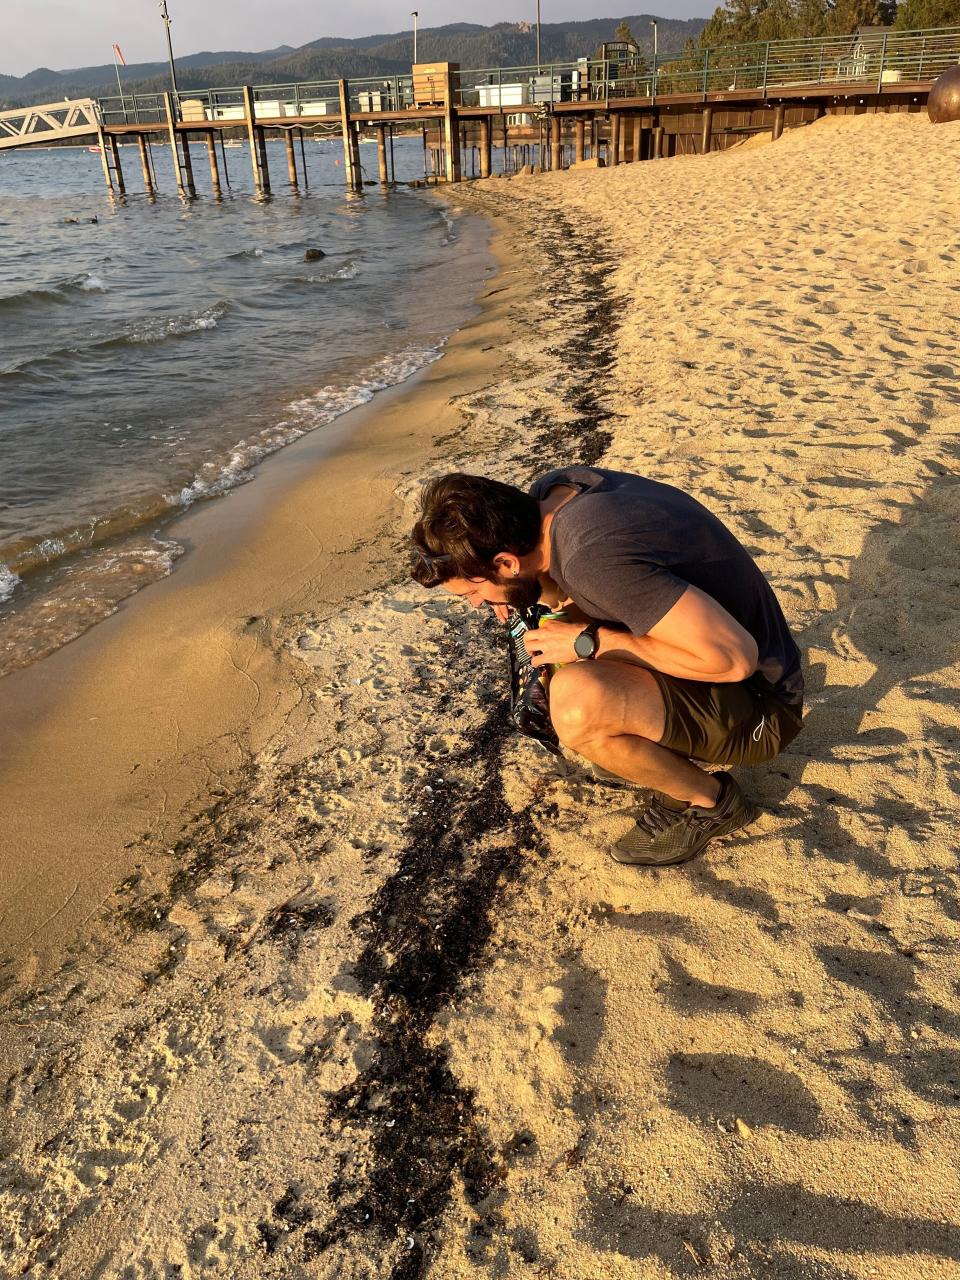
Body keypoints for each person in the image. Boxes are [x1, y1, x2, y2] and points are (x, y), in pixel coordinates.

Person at [410, 466, 804, 866]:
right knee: (550, 633)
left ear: (508, 563)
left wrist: (591, 642)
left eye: (474, 590)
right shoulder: (556, 493)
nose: (476, 603)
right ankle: (640, 746)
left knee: (576, 703)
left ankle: (709, 802)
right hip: (725, 649)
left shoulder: (592, 562)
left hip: (762, 706)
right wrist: (519, 600)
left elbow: (734, 660)